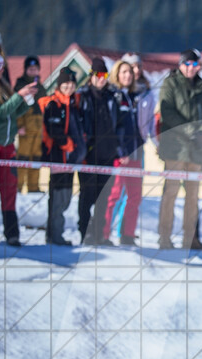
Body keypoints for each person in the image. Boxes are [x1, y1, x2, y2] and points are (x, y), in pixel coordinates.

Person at [157, 49, 202, 250]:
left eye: (195, 65)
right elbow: (167, 112)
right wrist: (191, 131)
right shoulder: (170, 83)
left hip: (196, 149)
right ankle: (164, 237)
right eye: (188, 64)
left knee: (193, 196)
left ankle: (190, 239)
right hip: (175, 147)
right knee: (170, 192)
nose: (191, 69)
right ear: (181, 65)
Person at [0, 48, 38, 246]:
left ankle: (12, 233)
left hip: (8, 146)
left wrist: (27, 101)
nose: (2, 70)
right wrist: (19, 96)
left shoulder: (3, 86)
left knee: (9, 191)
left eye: (3, 66)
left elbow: (12, 114)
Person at [76, 57, 119, 245]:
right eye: (99, 75)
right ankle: (85, 233)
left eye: (105, 75)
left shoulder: (112, 96)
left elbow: (119, 123)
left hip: (107, 154)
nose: (102, 79)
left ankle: (99, 234)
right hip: (88, 155)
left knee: (103, 197)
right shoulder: (82, 96)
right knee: (87, 196)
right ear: (91, 75)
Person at [38, 67, 83, 246]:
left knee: (66, 197)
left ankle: (55, 234)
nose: (69, 86)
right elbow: (53, 128)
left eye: (72, 83)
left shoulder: (73, 103)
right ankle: (54, 235)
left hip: (71, 160)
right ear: (59, 84)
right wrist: (68, 144)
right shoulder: (54, 104)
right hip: (58, 157)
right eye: (65, 83)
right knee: (58, 198)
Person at [103, 59, 146, 245]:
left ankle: (127, 234)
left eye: (130, 72)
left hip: (136, 154)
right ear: (117, 75)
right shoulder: (114, 96)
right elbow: (112, 127)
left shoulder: (134, 97)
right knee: (113, 196)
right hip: (120, 157)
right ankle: (103, 234)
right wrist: (120, 151)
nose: (128, 75)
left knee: (135, 196)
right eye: (124, 72)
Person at [14, 56, 47, 194]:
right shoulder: (20, 85)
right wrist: (18, 126)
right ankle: (19, 186)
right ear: (26, 69)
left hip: (38, 128)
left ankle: (34, 187)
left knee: (36, 158)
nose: (33, 71)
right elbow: (15, 108)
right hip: (25, 128)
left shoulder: (41, 87)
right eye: (30, 68)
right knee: (23, 158)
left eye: (35, 68)